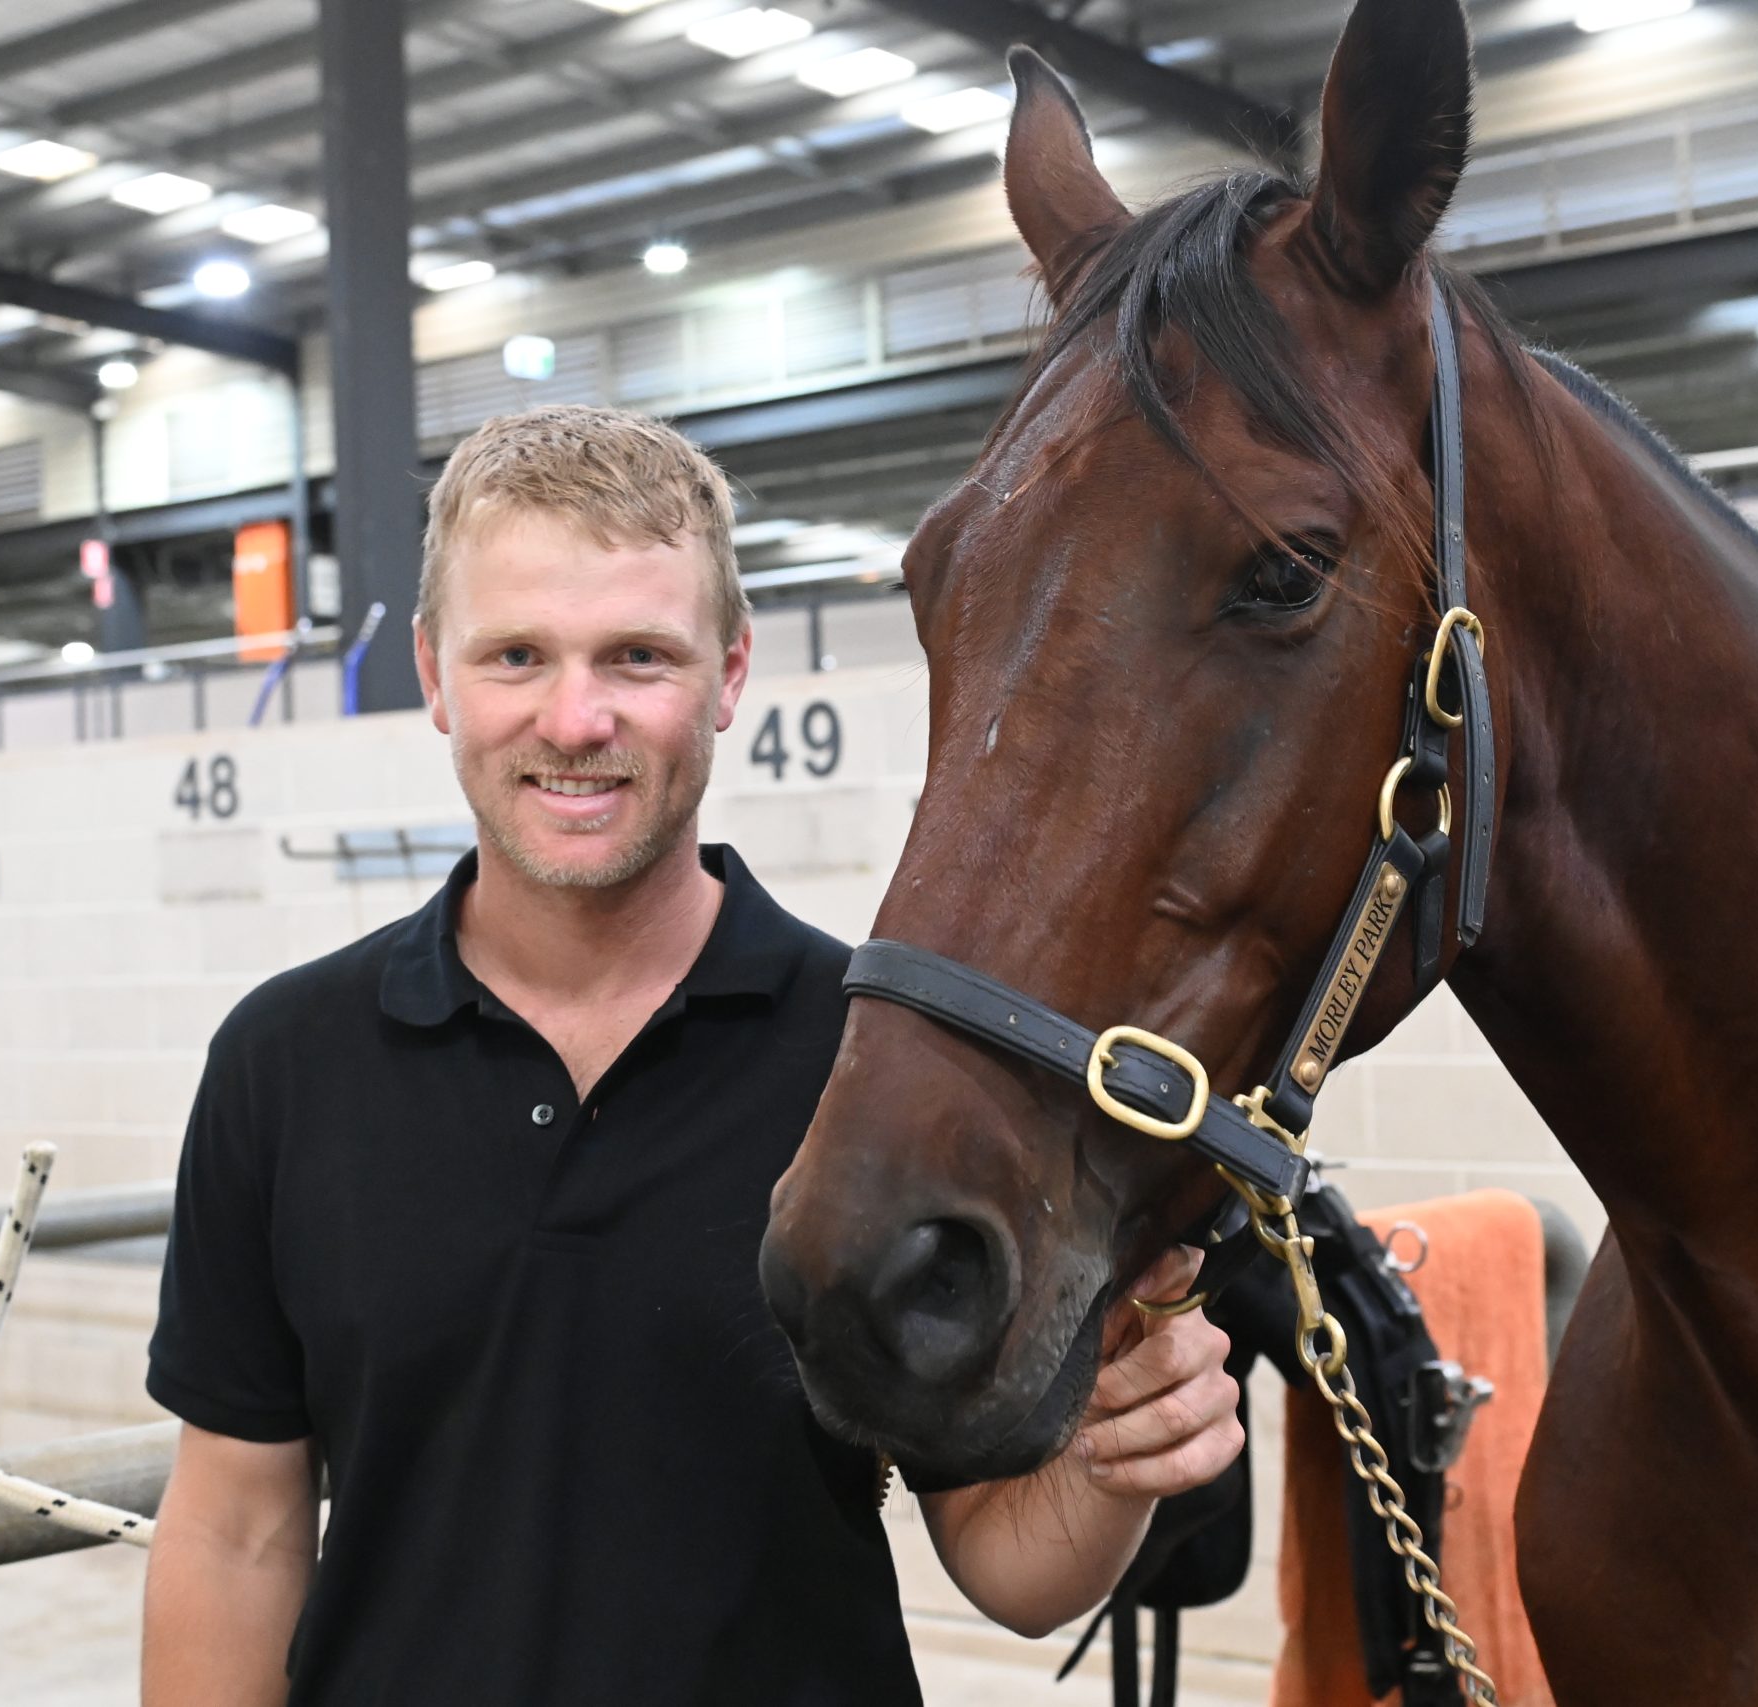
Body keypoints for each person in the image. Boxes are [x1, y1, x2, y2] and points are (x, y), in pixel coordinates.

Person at [139, 404, 1244, 1704]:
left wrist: (1117, 1459)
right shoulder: (286, 1064)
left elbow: (1009, 1565)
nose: (574, 717)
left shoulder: (884, 1062)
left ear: (727, 675)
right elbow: (235, 1528)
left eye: (638, 657)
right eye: (516, 657)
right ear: (436, 675)